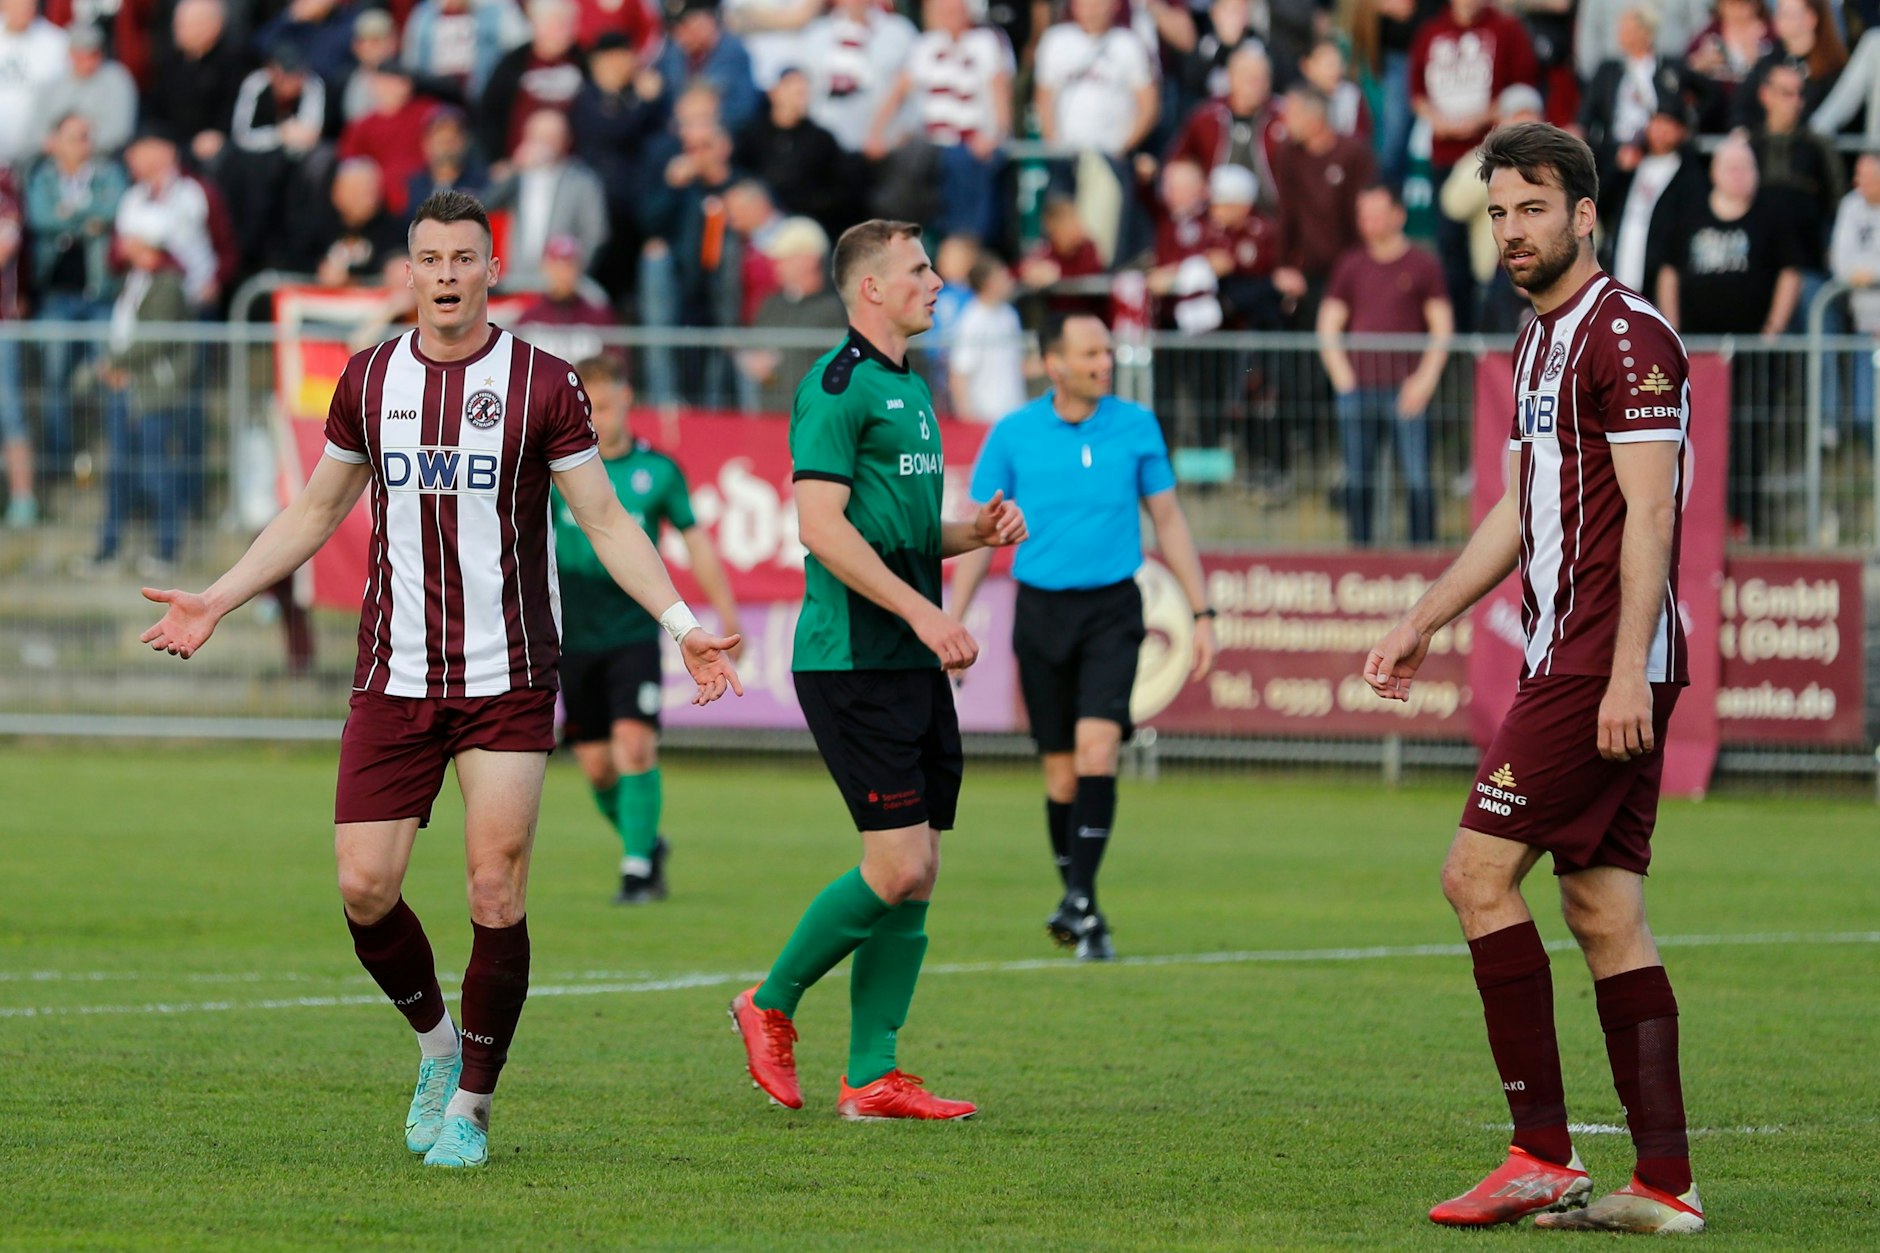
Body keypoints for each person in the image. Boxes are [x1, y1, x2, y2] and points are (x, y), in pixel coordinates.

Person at [139, 189, 743, 1170]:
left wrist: (679, 623)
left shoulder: (545, 383)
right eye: (431, 258)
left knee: (493, 889)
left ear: (490, 268)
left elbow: (604, 517)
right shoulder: (370, 377)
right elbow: (315, 509)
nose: (449, 274)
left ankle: (471, 1102)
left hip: (508, 674)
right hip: (393, 671)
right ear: (410, 271)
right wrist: (217, 596)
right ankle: (436, 1044)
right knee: (363, 886)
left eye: (465, 257)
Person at [1365, 122, 1704, 1235]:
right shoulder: (1532, 342)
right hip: (1568, 653)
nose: (1511, 230)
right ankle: (1661, 1181)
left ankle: (1539, 1152)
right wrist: (1421, 616)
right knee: (1602, 908)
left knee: (1473, 875)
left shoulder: (1627, 335)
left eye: (1530, 208)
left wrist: (1619, 673)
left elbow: (1650, 510)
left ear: (1582, 214)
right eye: (1496, 211)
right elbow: (1518, 513)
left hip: (1599, 661)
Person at [728, 218, 1027, 1121]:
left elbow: (895, 530)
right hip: (851, 658)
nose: (938, 281)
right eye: (920, 269)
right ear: (871, 288)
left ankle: (872, 1076)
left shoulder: (911, 385)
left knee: (919, 865)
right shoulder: (837, 384)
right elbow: (821, 529)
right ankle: (769, 1001)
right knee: (896, 866)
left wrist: (972, 531)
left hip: (904, 657)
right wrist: (927, 610)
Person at [948, 310, 1212, 960]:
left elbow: (1170, 520)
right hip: (1039, 613)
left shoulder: (1136, 425)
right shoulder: (1012, 433)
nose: (1105, 361)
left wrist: (1202, 613)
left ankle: (1080, 900)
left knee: (1099, 750)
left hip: (1113, 612)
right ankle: (1083, 908)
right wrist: (953, 617)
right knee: (1060, 773)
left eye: (1107, 351)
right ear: (1055, 363)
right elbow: (981, 535)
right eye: (1091, 353)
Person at [553, 353, 742, 903]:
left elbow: (696, 543)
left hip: (633, 632)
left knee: (634, 745)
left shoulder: (658, 470)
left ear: (627, 399)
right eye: (588, 408)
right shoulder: (558, 472)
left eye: (606, 405)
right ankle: (647, 840)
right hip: (572, 635)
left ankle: (637, 869)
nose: (598, 417)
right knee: (596, 766)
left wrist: (724, 613)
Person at [1318, 183, 1452, 546]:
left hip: (1405, 389)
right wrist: (1343, 378)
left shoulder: (1423, 264)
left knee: (1417, 478)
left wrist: (1424, 381)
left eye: (1377, 214)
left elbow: (1441, 327)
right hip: (1358, 388)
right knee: (1357, 478)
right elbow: (1329, 323)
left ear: (1398, 215)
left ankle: (1422, 559)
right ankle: (1360, 556)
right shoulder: (1351, 265)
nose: (1370, 223)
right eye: (1364, 216)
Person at [948, 253, 1027, 424]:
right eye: (1003, 276)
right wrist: (968, 419)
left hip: (1013, 413)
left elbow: (1018, 363)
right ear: (988, 283)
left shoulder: (1009, 314)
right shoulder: (972, 320)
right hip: (985, 418)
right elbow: (959, 375)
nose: (1009, 280)